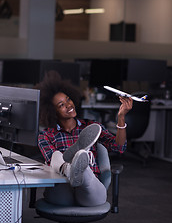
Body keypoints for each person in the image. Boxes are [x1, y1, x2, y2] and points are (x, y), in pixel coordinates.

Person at [36, 71, 133, 207]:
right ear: (52, 112)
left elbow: (119, 147)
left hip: (90, 192)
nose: (69, 105)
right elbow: (52, 160)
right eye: (61, 105)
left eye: (68, 99)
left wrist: (121, 117)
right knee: (56, 157)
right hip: (62, 189)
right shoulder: (46, 135)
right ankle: (70, 168)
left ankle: (81, 166)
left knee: (85, 174)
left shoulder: (92, 127)